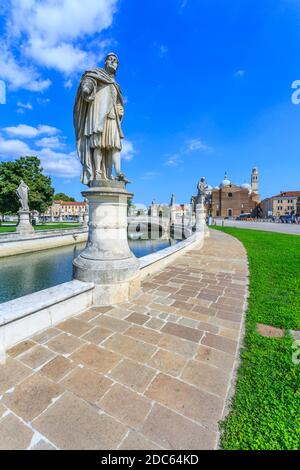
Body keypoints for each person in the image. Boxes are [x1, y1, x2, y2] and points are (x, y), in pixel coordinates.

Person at [74, 52, 128, 185]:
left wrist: (120, 110)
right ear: (105, 62)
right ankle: (98, 172)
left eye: (115, 60)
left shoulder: (116, 85)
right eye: (110, 59)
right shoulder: (97, 74)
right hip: (98, 116)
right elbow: (89, 81)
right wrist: (86, 88)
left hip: (112, 118)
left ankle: (118, 172)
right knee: (97, 144)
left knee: (115, 146)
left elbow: (118, 102)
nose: (113, 62)